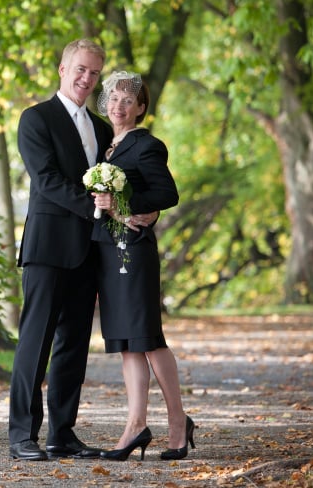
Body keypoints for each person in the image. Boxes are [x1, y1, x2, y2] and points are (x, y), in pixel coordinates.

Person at [8, 38, 112, 462]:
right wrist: (93, 207)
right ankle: (21, 435)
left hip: (89, 251)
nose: (87, 78)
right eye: (81, 70)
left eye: (94, 73)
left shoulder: (103, 130)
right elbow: (46, 180)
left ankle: (62, 434)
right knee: (35, 343)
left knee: (73, 346)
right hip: (48, 249)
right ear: (62, 70)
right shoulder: (36, 119)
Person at [92, 71, 195, 461]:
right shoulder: (106, 145)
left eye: (127, 100)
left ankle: (177, 421)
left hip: (133, 250)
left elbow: (167, 193)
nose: (118, 106)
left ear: (140, 108)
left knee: (149, 337)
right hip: (106, 251)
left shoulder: (146, 145)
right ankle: (136, 425)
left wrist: (126, 207)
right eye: (113, 98)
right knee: (126, 343)